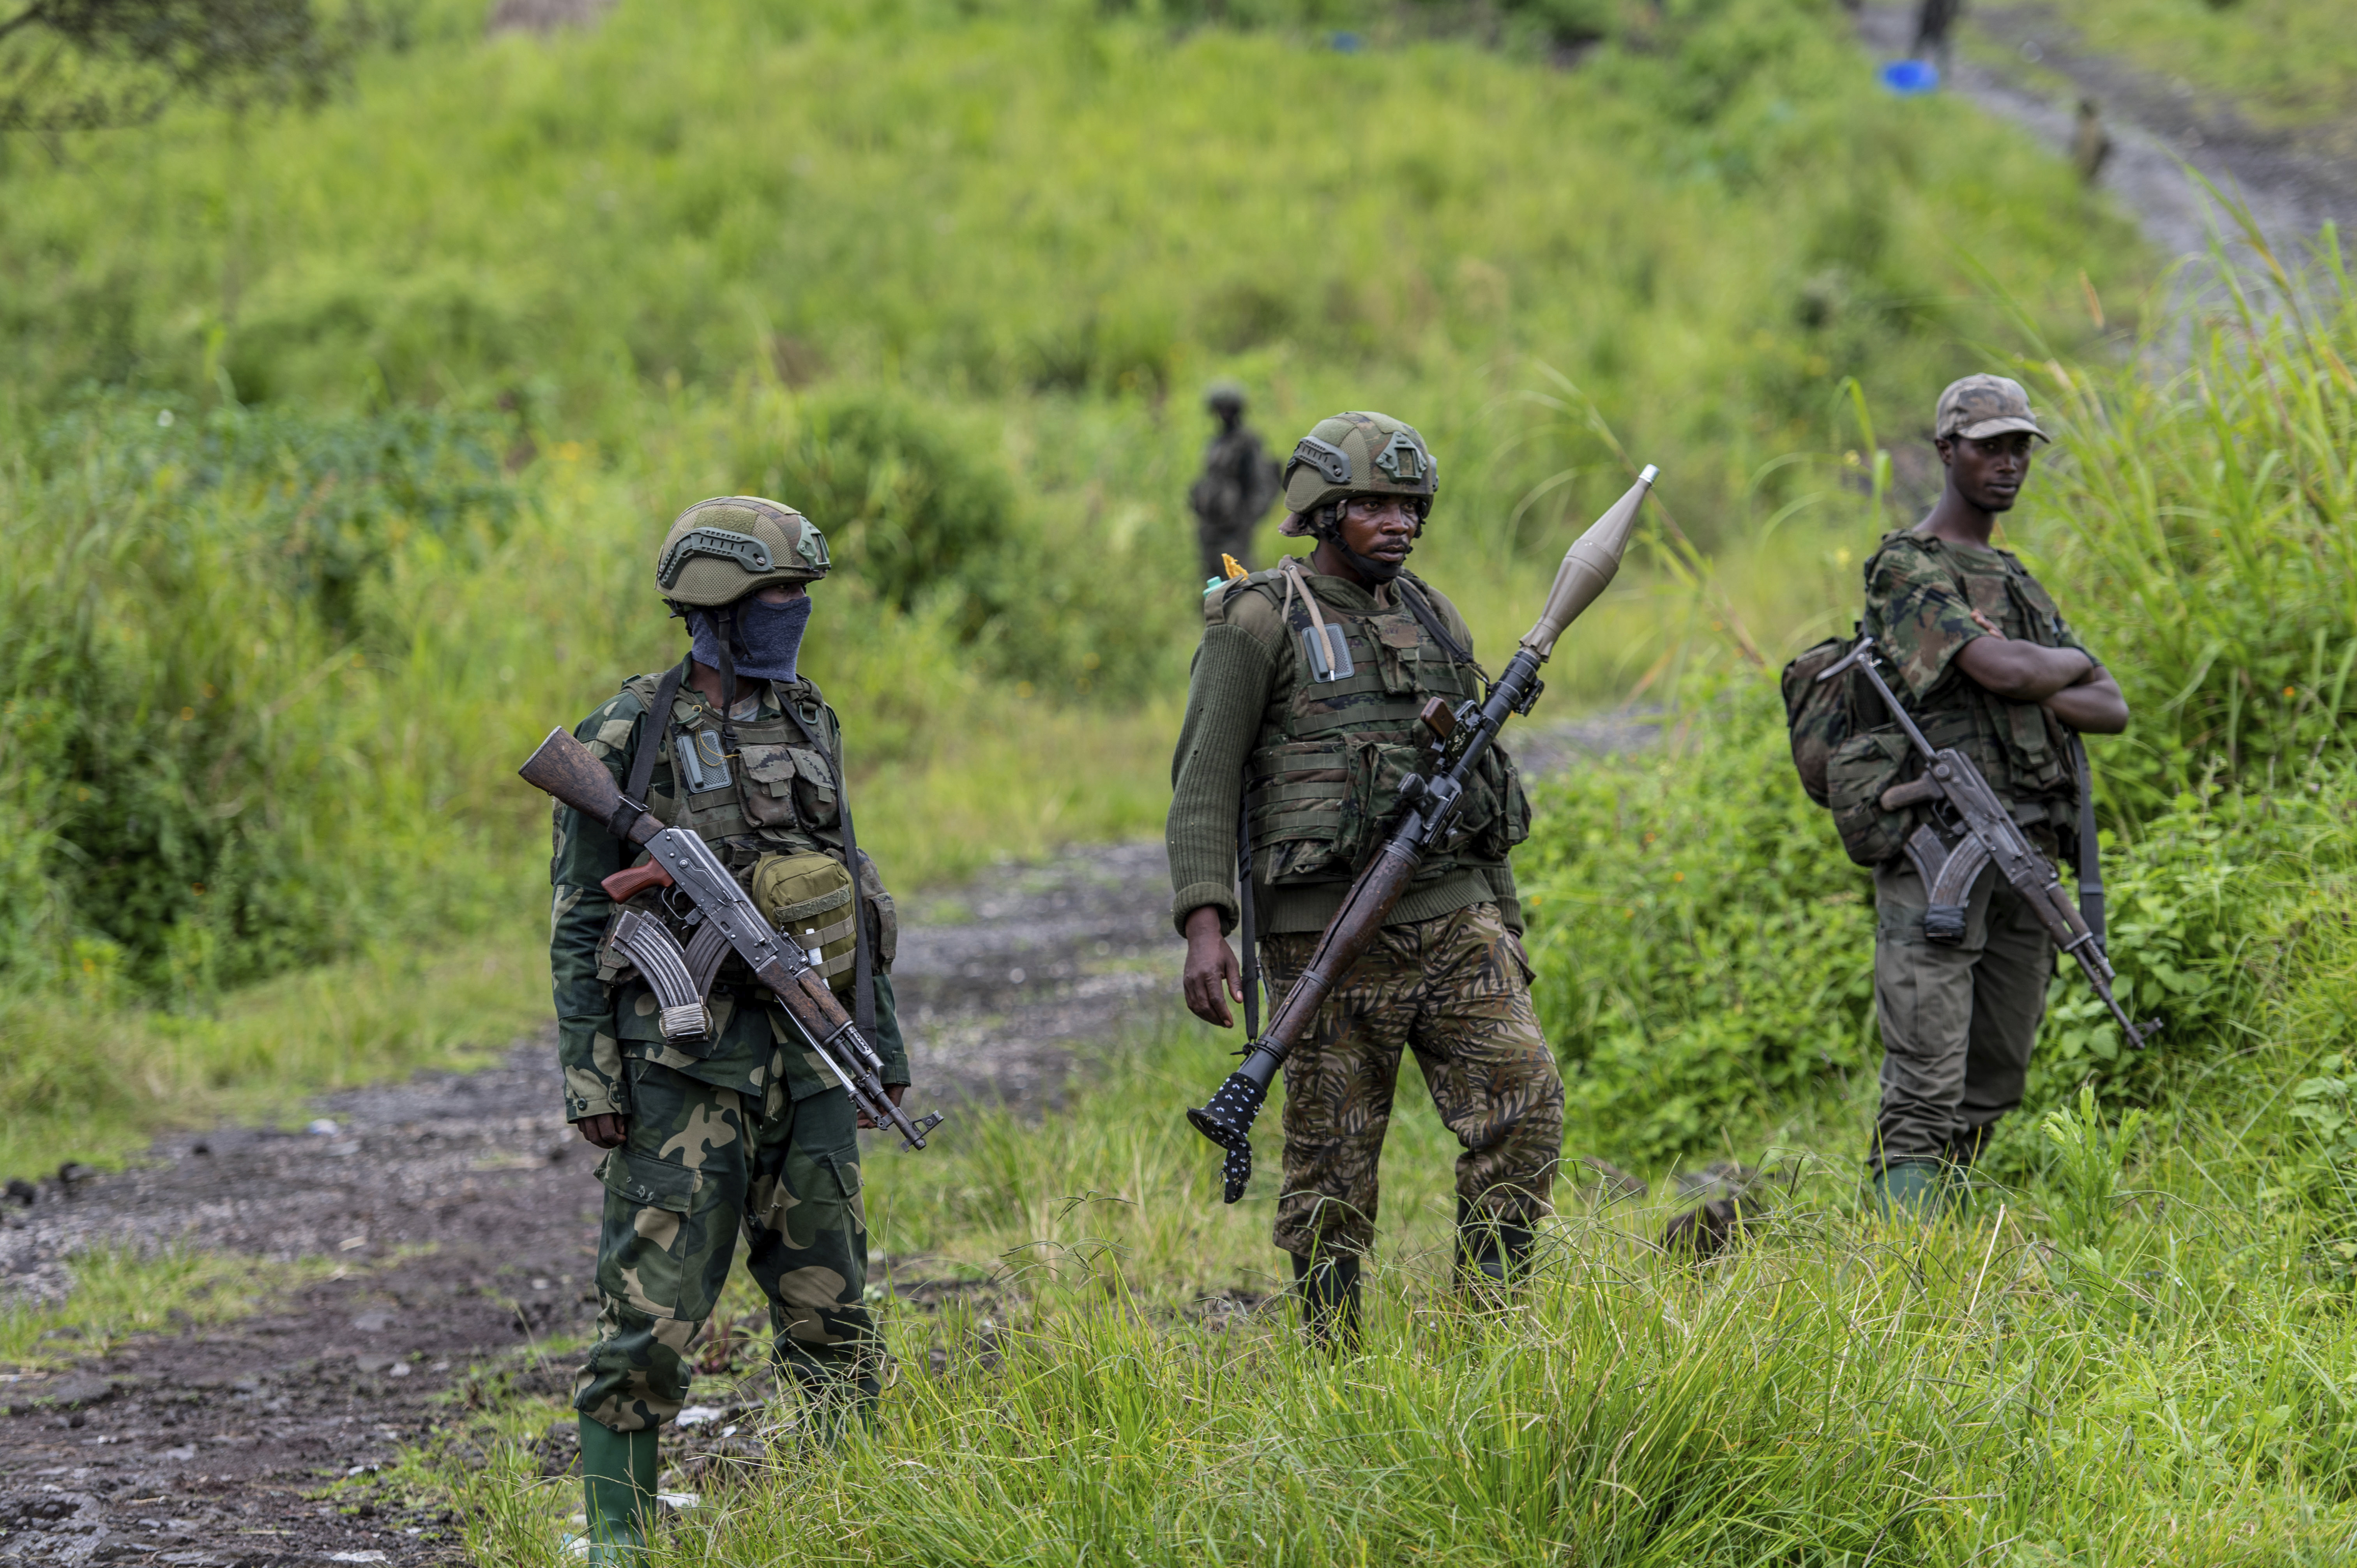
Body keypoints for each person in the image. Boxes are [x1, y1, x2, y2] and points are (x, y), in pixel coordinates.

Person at [547, 496, 912, 1559]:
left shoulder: (810, 720)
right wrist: (594, 1082)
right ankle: (618, 1535)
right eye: (776, 596)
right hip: (682, 1078)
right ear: (715, 603)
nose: (795, 613)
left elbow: (853, 890)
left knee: (833, 1312)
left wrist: (878, 1049)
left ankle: (859, 1508)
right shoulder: (629, 731)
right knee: (651, 1325)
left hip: (807, 1071)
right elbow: (579, 917)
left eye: (801, 594)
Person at [1166, 411, 1562, 1345]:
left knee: (1527, 1100)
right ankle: (1334, 1352)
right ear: (1323, 509)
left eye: (1411, 505)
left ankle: (1490, 1328)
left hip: (1457, 917)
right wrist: (1204, 924)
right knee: (1333, 1161)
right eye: (1375, 505)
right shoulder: (1260, 619)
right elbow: (1205, 779)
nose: (1400, 523)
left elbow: (1474, 775)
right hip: (1325, 935)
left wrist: (1505, 918)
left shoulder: (1430, 611)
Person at [1859, 376, 2128, 1216]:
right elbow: (2006, 669)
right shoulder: (1907, 567)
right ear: (1947, 451)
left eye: (2020, 447)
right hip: (1939, 845)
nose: (2009, 463)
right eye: (1989, 446)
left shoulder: (2014, 579)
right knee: (1926, 1072)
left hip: (2027, 851)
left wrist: (2034, 673)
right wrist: (2048, 670)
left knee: (1995, 1070)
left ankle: (1951, 1231)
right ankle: (1896, 1259)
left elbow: (2111, 705)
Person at [1187, 381, 1282, 585]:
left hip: (1234, 530)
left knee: (1239, 583)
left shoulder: (1247, 442)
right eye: (1220, 410)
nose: (1224, 414)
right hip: (1211, 527)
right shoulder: (1218, 442)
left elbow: (1262, 485)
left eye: (1229, 409)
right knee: (1212, 584)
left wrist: (1246, 520)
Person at [2071, 98, 2113, 186]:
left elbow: (2089, 148)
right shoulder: (2093, 124)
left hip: (2090, 163)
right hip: (2091, 163)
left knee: (2088, 176)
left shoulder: (2091, 125)